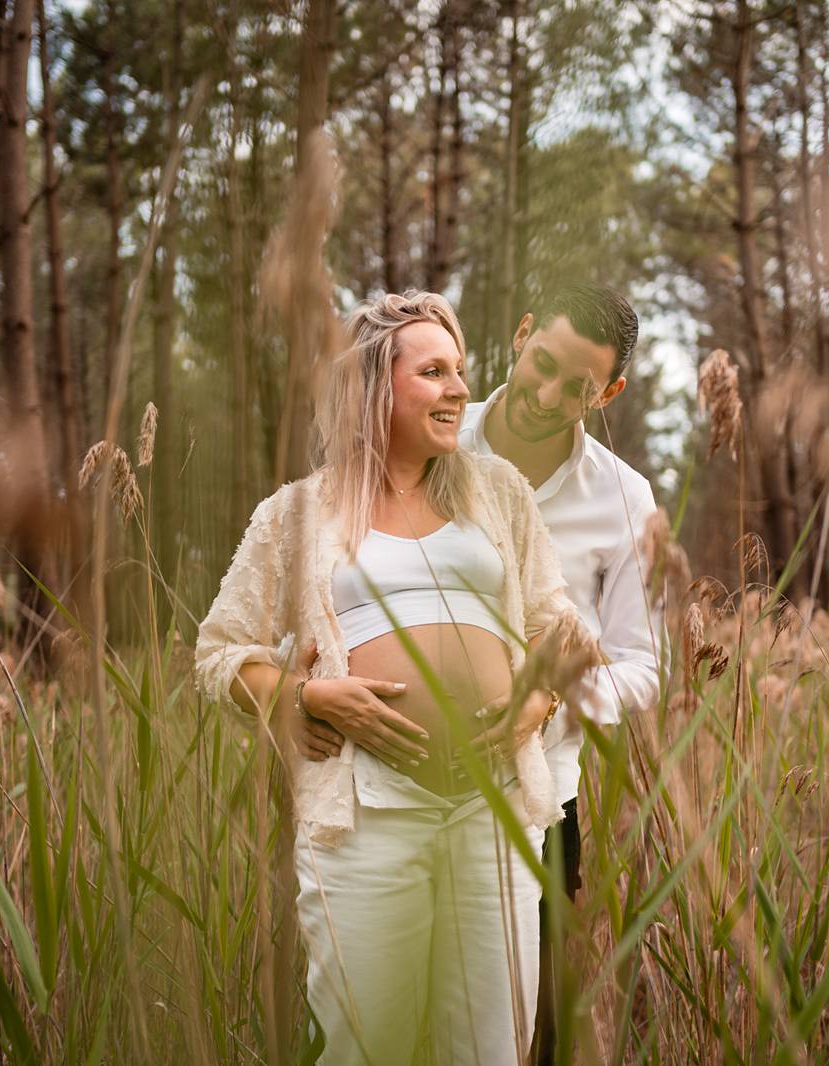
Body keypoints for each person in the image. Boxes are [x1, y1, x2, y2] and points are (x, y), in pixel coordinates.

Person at [195, 291, 596, 1065]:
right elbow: (219, 651)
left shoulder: (499, 493)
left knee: (490, 1049)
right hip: (368, 815)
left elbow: (559, 630)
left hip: (493, 810)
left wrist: (532, 708)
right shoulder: (298, 514)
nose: (459, 391)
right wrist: (299, 694)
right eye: (435, 372)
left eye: (462, 373)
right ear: (375, 387)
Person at [457, 284, 660, 1059]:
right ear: (520, 331)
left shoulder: (625, 499)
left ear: (607, 392)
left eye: (577, 387)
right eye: (542, 363)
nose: (546, 395)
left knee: (517, 1040)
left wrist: (551, 697)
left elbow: (643, 666)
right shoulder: (424, 444)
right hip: (394, 790)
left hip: (536, 812)